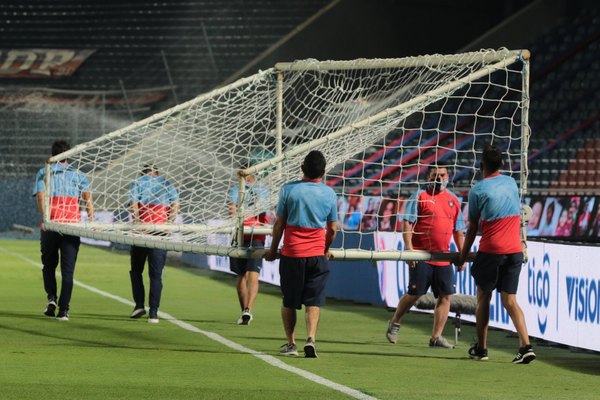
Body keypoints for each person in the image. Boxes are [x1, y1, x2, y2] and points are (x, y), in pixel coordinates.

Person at [456, 144, 535, 364]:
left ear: (481, 165)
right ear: (501, 163)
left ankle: (481, 349)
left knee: (483, 297)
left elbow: (472, 229)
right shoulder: (511, 182)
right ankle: (525, 346)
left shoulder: (478, 190)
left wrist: (462, 256)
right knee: (510, 300)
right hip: (514, 250)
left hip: (492, 250)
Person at [263, 150, 338, 358]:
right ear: (323, 171)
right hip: (316, 255)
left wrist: (272, 249)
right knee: (313, 301)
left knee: (289, 301)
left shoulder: (289, 190)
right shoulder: (329, 194)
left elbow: (279, 224)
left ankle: (291, 343)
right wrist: (324, 249)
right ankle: (311, 338)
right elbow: (332, 228)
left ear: (302, 168)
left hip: (293, 253)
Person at [386, 163, 465, 348]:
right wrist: (410, 250)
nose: (439, 179)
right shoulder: (419, 196)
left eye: (442, 175)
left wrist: (462, 254)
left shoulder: (454, 200)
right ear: (428, 177)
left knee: (445, 297)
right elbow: (407, 224)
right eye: (435, 175)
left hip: (443, 256)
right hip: (422, 255)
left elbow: (458, 230)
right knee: (415, 293)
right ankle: (395, 321)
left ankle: (436, 337)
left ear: (448, 176)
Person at [33, 140, 95, 321]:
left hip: (51, 225)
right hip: (71, 226)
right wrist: (91, 218)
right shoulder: (78, 174)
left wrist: (45, 219)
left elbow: (40, 197)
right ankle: (64, 310)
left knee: (48, 266)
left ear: (53, 155)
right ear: (68, 155)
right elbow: (87, 199)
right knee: (68, 271)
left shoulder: (44, 172)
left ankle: (51, 298)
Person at [128, 164, 179, 324]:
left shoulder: (138, 183)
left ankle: (139, 305)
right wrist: (169, 222)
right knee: (156, 275)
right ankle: (154, 313)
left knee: (136, 271)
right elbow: (175, 205)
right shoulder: (166, 183)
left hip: (142, 232)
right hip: (160, 232)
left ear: (143, 173)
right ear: (157, 172)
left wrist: (137, 222)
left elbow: (133, 204)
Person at [228, 169, 269, 325]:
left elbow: (231, 210)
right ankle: (247, 310)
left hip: (242, 234)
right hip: (257, 234)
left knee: (241, 275)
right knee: (252, 274)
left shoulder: (237, 189)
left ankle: (245, 310)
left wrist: (235, 221)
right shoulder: (263, 190)